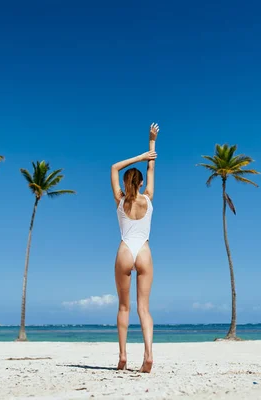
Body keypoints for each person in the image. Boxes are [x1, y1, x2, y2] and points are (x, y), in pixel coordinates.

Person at [110, 123, 159, 373]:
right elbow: (151, 167)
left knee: (123, 307)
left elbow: (114, 167)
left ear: (127, 183)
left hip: (125, 250)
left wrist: (138, 156)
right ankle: (148, 356)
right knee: (144, 309)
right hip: (144, 252)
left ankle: (122, 357)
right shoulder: (147, 197)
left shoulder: (120, 200)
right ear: (140, 184)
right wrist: (151, 143)